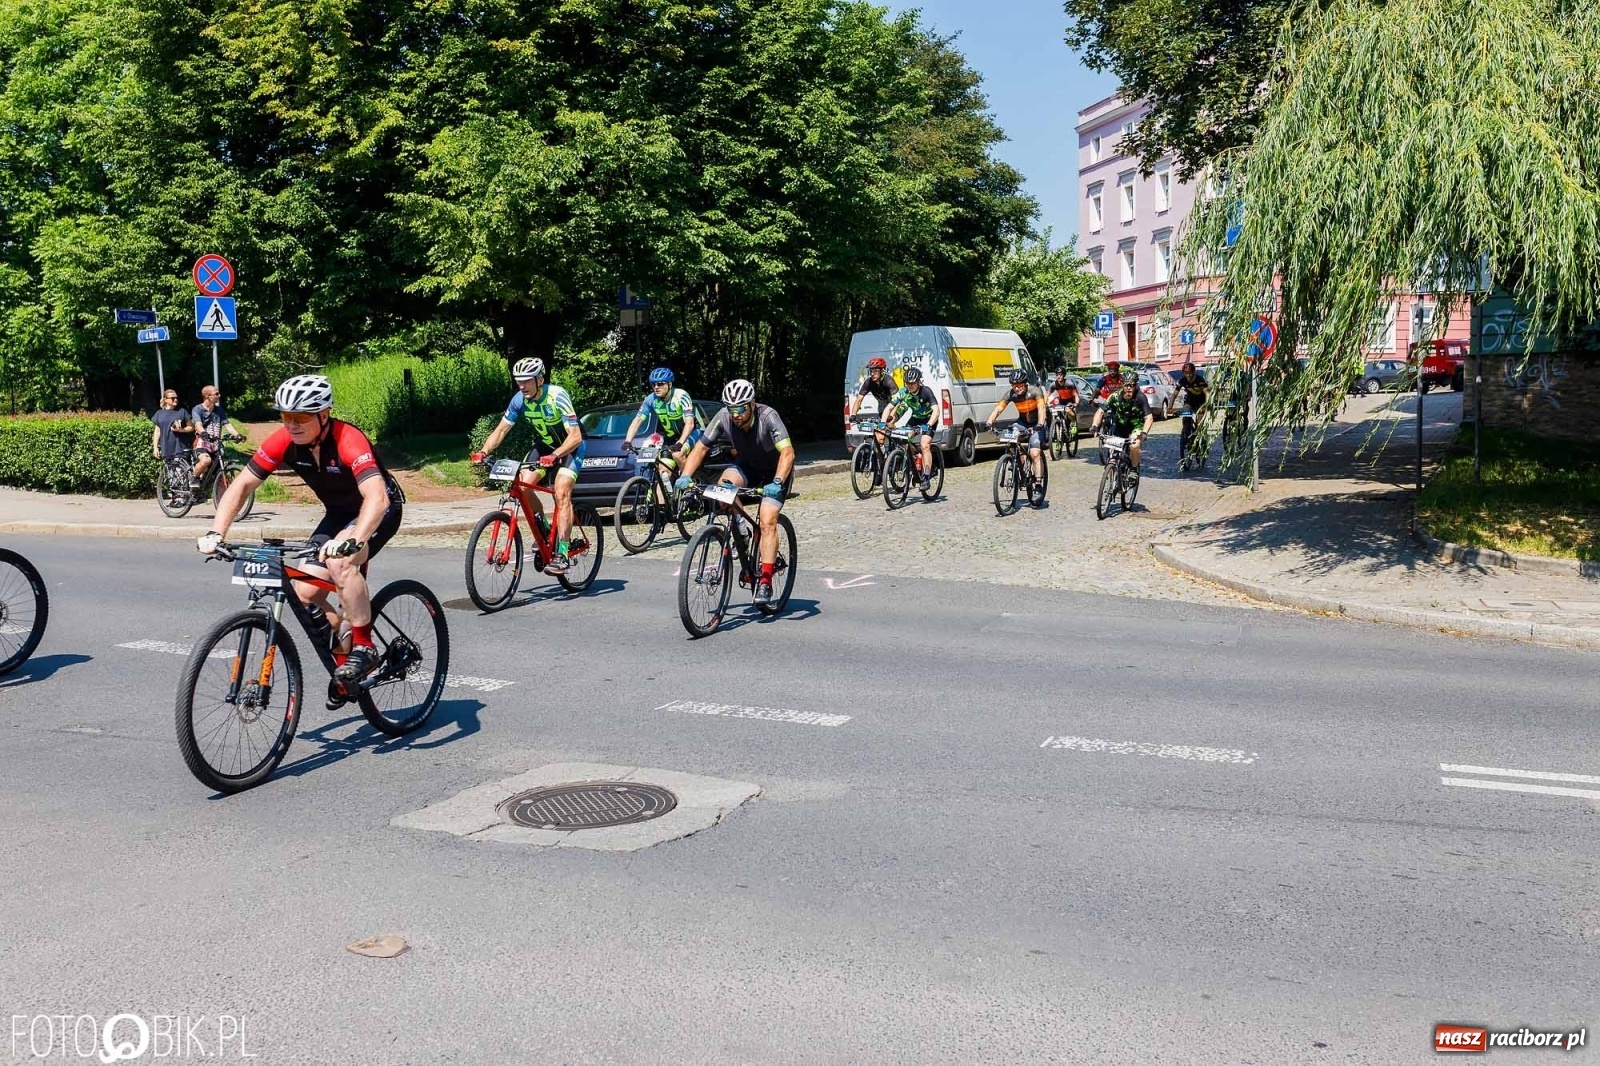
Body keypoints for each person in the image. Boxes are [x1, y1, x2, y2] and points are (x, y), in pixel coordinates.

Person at [197, 375, 405, 695]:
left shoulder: (348, 440)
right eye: (285, 416)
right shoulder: (283, 441)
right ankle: (345, 648)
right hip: (338, 515)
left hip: (379, 509)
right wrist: (216, 532)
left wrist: (353, 540)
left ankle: (365, 647)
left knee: (342, 564)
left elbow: (377, 498)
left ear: (324, 415)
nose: (291, 425)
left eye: (300, 418)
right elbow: (241, 486)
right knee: (303, 593)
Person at [673, 379, 796, 606]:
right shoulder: (722, 417)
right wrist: (685, 476)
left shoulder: (769, 417)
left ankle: (766, 580)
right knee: (722, 490)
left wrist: (778, 481)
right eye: (731, 409)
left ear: (751, 404)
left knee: (767, 520)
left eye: (740, 408)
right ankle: (740, 527)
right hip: (747, 467)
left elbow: (787, 453)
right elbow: (701, 448)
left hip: (775, 472)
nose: (735, 414)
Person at [470, 358, 585, 575]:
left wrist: (556, 455)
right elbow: (502, 430)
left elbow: (575, 435)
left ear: (540, 379)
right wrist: (483, 451)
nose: (521, 386)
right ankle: (542, 526)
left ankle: (562, 553)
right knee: (522, 485)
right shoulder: (519, 400)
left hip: (571, 447)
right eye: (518, 381)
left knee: (561, 493)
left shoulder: (557, 396)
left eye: (526, 381)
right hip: (545, 446)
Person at [980, 369, 1048, 487]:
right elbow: (999, 409)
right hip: (1022, 422)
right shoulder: (1011, 394)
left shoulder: (1035, 391)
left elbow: (1042, 409)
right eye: (1014, 386)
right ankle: (1018, 461)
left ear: (1025, 383)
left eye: (1019, 385)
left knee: (1035, 453)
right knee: (1009, 437)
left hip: (1037, 423)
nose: (1017, 388)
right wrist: (989, 422)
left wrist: (1040, 424)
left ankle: (1038, 483)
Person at [622, 368, 696, 471]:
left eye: (660, 384)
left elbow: (690, 423)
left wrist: (680, 442)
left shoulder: (681, 395)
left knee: (678, 455)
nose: (656, 387)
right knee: (663, 470)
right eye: (653, 384)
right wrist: (628, 440)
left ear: (669, 384)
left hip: (691, 434)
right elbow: (637, 420)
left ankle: (687, 482)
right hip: (671, 438)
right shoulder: (651, 399)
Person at [878, 365, 938, 491]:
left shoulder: (926, 391)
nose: (910, 386)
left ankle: (927, 477)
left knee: (925, 444)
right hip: (915, 418)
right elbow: (889, 408)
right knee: (903, 439)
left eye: (913, 383)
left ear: (918, 382)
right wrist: (883, 423)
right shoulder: (903, 393)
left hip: (929, 420)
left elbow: (936, 411)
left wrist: (928, 425)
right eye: (908, 383)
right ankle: (916, 457)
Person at [1091, 376, 1155, 483]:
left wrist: (1144, 433)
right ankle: (1112, 478)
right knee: (1112, 454)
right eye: (1126, 385)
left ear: (1136, 386)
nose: (1129, 388)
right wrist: (1094, 426)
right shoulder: (1115, 396)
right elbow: (1100, 411)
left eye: (1132, 385)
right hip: (1120, 426)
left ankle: (1134, 469)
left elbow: (1149, 417)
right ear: (1122, 385)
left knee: (1134, 445)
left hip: (1136, 426)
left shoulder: (1140, 397)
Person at [189, 385, 235, 487]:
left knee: (220, 466)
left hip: (215, 444)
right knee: (206, 460)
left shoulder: (219, 410)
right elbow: (198, 424)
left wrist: (237, 435)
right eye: (216, 394)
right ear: (207, 396)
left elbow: (227, 424)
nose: (219, 395)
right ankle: (194, 478)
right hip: (202, 443)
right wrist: (203, 432)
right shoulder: (198, 409)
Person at [1173, 362, 1209, 463]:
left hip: (1201, 403)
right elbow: (1174, 394)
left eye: (1189, 373)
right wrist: (1170, 407)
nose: (1188, 375)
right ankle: (1186, 434)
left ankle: (1201, 442)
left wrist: (1206, 405)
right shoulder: (1183, 380)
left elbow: (1207, 393)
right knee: (1186, 418)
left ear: (1193, 372)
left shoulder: (1200, 380)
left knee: (1199, 424)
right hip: (1189, 402)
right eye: (1185, 373)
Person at [151, 389, 193, 463]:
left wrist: (181, 430)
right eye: (173, 398)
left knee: (180, 473)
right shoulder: (159, 414)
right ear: (166, 400)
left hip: (180, 448)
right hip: (166, 450)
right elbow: (157, 432)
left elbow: (191, 427)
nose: (175, 400)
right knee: (171, 473)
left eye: (176, 398)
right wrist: (155, 448)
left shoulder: (182, 411)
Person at [1045, 369, 1080, 441]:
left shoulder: (1069, 383)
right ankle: (1058, 436)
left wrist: (1076, 403)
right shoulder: (1054, 384)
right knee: (1055, 412)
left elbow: (1076, 395)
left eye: (1060, 375)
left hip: (1070, 400)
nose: (1058, 376)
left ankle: (1073, 423)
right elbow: (1047, 394)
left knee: (1068, 410)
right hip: (1062, 400)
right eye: (1057, 375)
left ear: (1064, 375)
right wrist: (1044, 404)